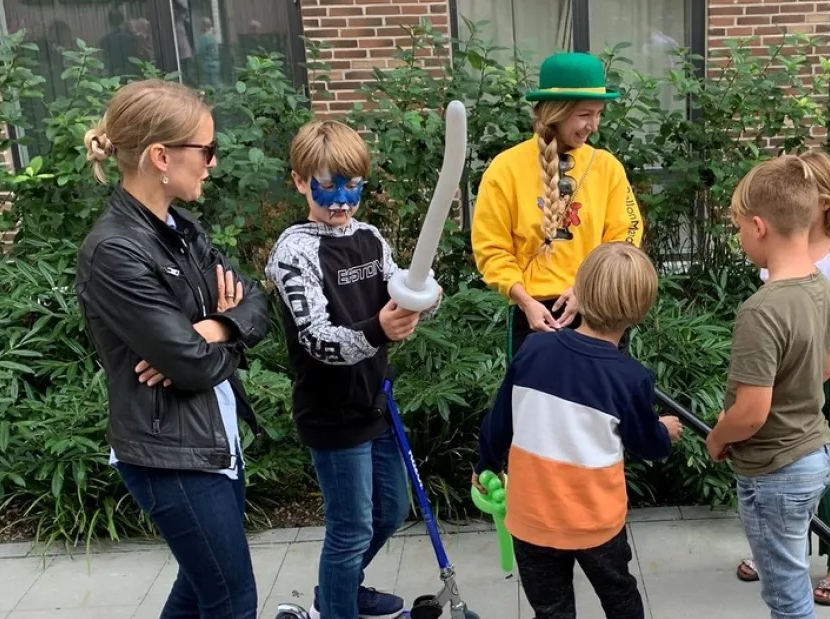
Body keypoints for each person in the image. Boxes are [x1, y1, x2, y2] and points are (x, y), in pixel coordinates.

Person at [76, 79, 270, 619]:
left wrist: (218, 328)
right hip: (171, 456)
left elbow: (255, 303)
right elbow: (189, 364)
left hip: (211, 439)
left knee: (199, 589)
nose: (212, 162)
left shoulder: (181, 229)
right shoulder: (113, 250)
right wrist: (205, 339)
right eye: (205, 150)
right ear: (160, 156)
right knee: (231, 599)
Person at [265, 119, 440, 619]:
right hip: (330, 410)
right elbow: (317, 339)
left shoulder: (368, 237)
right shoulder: (294, 250)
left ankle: (339, 589)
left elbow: (400, 290)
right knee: (351, 528)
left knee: (390, 510)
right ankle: (337, 607)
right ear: (300, 181)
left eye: (352, 186)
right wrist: (381, 329)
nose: (340, 201)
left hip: (375, 402)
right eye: (326, 187)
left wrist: (424, 296)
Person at [474, 242, 683, 619]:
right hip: (595, 522)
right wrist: (662, 432)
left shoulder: (533, 350)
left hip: (531, 517)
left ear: (578, 293)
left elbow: (499, 421)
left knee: (551, 609)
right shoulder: (631, 378)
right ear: (640, 313)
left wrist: (484, 464)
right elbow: (645, 444)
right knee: (619, 595)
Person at [705, 155, 830, 619]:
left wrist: (718, 435)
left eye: (739, 226)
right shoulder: (821, 286)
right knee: (790, 574)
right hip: (815, 453)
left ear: (759, 227)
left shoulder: (761, 311)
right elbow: (825, 367)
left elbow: (752, 412)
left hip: (775, 470)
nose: (740, 236)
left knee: (786, 596)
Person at [735, 151, 830, 605]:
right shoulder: (781, 260)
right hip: (786, 376)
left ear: (822, 201)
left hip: (824, 381)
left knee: (825, 475)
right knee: (788, 477)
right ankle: (778, 547)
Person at [471, 51, 644, 361]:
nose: (594, 124)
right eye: (584, 114)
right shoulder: (505, 169)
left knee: (603, 408)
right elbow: (491, 248)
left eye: (598, 113)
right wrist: (525, 302)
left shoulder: (607, 168)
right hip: (535, 318)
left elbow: (625, 236)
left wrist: (586, 290)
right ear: (556, 112)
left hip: (600, 312)